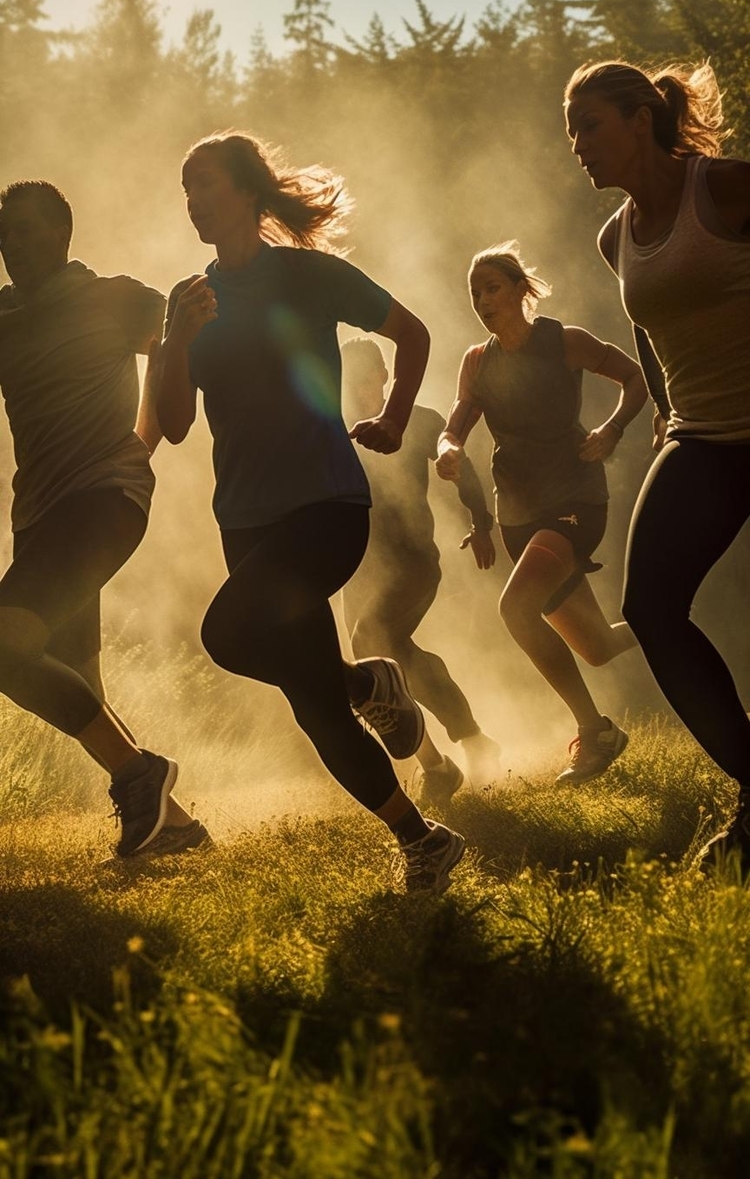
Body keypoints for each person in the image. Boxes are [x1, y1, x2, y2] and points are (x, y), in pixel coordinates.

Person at [156, 131, 466, 892]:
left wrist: (394, 421)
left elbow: (412, 334)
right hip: (246, 521)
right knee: (314, 702)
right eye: (185, 189)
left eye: (205, 185)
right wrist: (174, 340)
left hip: (326, 504)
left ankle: (366, 689)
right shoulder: (192, 299)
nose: (193, 201)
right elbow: (171, 424)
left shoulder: (307, 275)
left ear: (250, 193)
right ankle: (421, 838)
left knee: (226, 634)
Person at [564, 60, 750, 858]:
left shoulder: (728, 189)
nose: (577, 145)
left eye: (589, 125)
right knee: (650, 609)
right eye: (570, 131)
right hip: (704, 440)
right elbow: (648, 319)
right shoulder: (616, 236)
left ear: (642, 120)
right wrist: (667, 408)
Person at [0, 180, 204, 858]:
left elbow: (180, 349)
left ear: (61, 233)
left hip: (104, 498)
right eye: (5, 231)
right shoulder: (3, 318)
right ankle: (173, 826)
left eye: (27, 228)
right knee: (81, 681)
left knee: (5, 648)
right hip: (38, 516)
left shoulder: (112, 297)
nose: (12, 242)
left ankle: (139, 776)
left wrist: (144, 438)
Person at [436, 241, 647, 783]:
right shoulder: (477, 361)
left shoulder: (563, 341)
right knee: (597, 647)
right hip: (519, 515)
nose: (483, 300)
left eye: (493, 288)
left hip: (575, 499)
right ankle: (659, 624)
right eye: (475, 293)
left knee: (515, 610)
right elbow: (454, 426)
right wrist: (449, 451)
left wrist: (613, 429)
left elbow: (637, 377)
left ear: (521, 290)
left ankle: (593, 730)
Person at [340, 336, 503, 806]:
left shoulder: (419, 419)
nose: (357, 386)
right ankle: (454, 750)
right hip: (357, 569)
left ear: (385, 377)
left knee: (372, 638)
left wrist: (481, 521)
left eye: (366, 375)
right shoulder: (337, 431)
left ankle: (443, 762)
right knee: (387, 661)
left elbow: (459, 463)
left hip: (413, 564)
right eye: (347, 378)